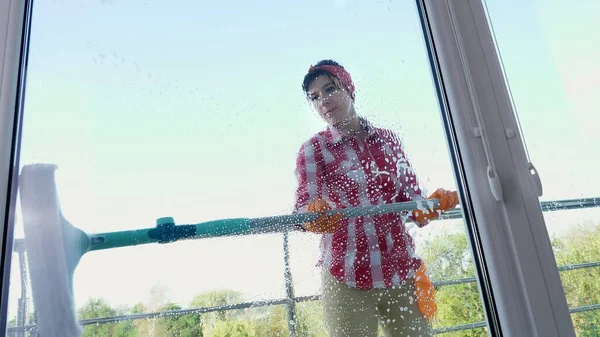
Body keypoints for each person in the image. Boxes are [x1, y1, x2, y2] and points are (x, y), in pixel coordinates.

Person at [293, 59, 459, 337]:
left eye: (330, 89)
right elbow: (301, 209)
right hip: (345, 276)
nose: (323, 101)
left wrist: (431, 205)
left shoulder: (388, 140)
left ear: (349, 88)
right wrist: (312, 215)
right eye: (315, 97)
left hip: (400, 272)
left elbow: (410, 200)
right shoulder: (314, 150)